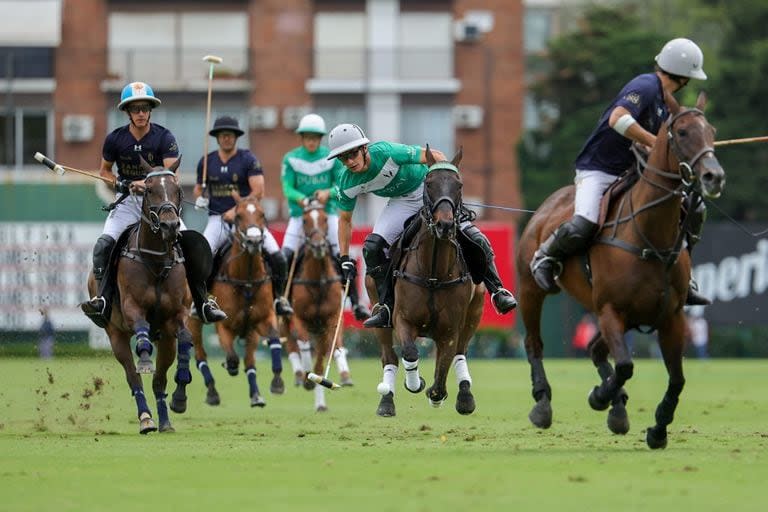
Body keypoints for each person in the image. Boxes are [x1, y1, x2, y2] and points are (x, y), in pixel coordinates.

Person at [529, 37, 711, 306]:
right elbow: (618, 118)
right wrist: (654, 141)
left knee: (691, 210)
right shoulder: (646, 86)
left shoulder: (664, 102)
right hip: (598, 168)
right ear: (685, 77)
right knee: (585, 222)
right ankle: (545, 256)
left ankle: (685, 274)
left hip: (631, 172)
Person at [326, 123, 518, 328]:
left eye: (353, 154)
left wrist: (445, 191)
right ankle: (386, 308)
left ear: (364, 148)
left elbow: (435, 155)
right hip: (401, 201)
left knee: (475, 236)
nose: (350, 161)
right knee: (372, 248)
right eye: (343, 158)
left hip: (429, 193)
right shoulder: (346, 182)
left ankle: (497, 291)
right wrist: (344, 258)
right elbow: (345, 220)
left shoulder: (388, 152)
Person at [81, 81, 226, 327]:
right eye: (135, 108)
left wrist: (146, 184)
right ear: (127, 112)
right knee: (104, 245)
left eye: (144, 108)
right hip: (127, 203)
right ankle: (103, 300)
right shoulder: (115, 139)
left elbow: (171, 173)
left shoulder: (164, 137)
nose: (140, 113)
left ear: (150, 110)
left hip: (160, 203)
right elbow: (104, 172)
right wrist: (121, 185)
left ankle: (202, 301)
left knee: (190, 244)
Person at [193, 115, 293, 316]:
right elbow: (198, 189)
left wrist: (235, 210)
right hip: (218, 219)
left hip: (248, 219)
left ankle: (279, 299)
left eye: (230, 135)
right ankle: (202, 300)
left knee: (277, 255)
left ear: (236, 137)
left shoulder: (248, 159)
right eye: (223, 135)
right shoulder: (206, 161)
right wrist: (201, 198)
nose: (226, 138)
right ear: (217, 137)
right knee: (202, 257)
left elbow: (259, 192)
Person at [280, 113, 370, 321]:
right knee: (284, 256)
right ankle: (282, 299)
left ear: (320, 138)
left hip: (327, 214)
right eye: (307, 137)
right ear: (301, 138)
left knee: (343, 256)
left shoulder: (332, 158)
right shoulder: (291, 158)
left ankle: (356, 304)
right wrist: (302, 199)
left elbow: (342, 182)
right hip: (299, 216)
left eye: (315, 137)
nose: (311, 141)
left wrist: (327, 193)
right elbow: (287, 188)